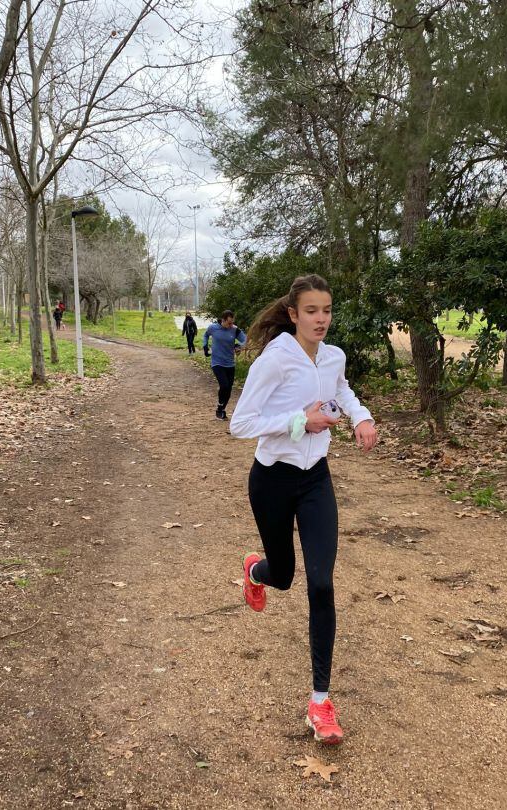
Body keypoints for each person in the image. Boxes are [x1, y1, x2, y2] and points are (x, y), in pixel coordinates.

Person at [229, 274, 377, 746]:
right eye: (311, 311)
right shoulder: (274, 361)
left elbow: (343, 390)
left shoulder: (333, 356)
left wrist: (360, 416)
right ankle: (258, 571)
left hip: (316, 480)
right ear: (293, 314)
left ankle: (320, 702)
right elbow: (241, 424)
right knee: (285, 574)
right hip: (271, 481)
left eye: (327, 310)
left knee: (320, 583)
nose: (321, 319)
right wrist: (300, 420)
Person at [202, 310, 246, 420]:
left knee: (229, 389)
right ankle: (220, 408)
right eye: (229, 323)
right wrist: (205, 346)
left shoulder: (235, 330)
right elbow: (205, 335)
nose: (231, 325)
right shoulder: (213, 328)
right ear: (223, 320)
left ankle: (220, 409)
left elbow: (245, 340)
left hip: (230, 364)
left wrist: (238, 346)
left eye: (232, 322)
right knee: (224, 385)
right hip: (217, 363)